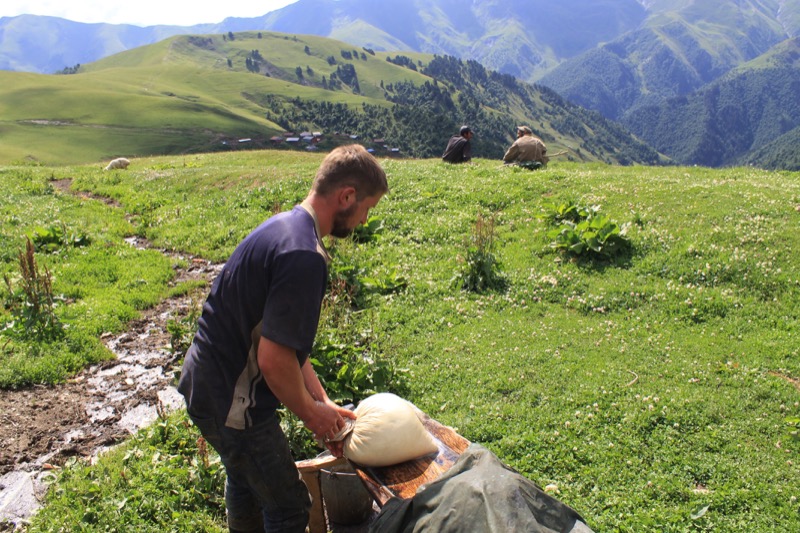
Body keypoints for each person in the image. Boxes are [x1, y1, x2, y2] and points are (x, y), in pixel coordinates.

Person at [177, 144, 388, 533]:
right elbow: (274, 362)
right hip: (234, 403)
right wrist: (312, 416)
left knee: (246, 478)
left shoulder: (284, 227)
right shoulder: (304, 256)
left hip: (205, 385)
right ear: (347, 196)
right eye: (366, 209)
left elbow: (285, 344)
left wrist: (322, 401)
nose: (362, 220)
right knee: (289, 506)